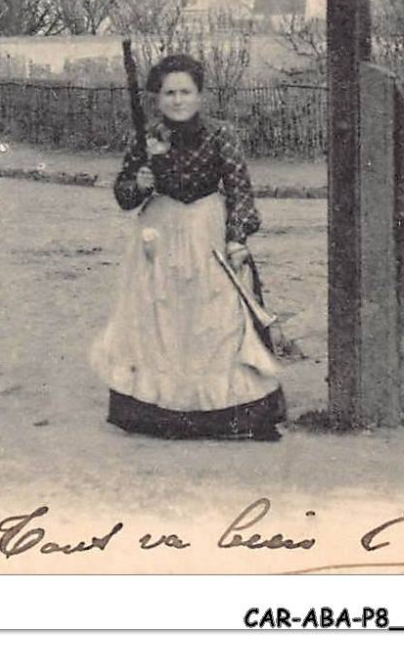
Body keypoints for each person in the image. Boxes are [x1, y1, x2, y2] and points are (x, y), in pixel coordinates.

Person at [88, 54, 284, 441]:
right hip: (158, 236)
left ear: (200, 96)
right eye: (169, 93)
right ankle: (159, 414)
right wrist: (141, 183)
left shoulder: (221, 134)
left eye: (185, 92)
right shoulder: (146, 139)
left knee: (217, 318)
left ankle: (229, 413)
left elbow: (240, 190)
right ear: (157, 99)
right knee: (160, 321)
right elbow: (124, 195)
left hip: (206, 230)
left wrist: (237, 237)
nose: (177, 100)